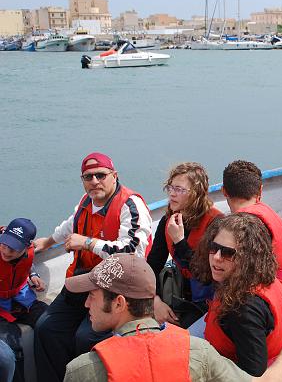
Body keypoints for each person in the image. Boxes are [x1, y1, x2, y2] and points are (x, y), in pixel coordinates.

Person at [62, 253, 282, 382]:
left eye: (93, 295)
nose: (86, 303)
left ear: (119, 303)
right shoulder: (196, 351)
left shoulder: (83, 370)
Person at [32, 152, 153, 382]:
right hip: (82, 281)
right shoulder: (85, 202)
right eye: (88, 177)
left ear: (114, 176)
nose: (95, 181)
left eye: (101, 175)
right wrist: (48, 242)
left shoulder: (130, 205)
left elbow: (132, 252)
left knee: (86, 338)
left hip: (114, 288)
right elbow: (71, 225)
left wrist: (88, 243)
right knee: (46, 328)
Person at [191, 213, 282, 377]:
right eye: (214, 247)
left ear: (248, 258)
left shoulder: (243, 309)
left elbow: (253, 374)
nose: (216, 257)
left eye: (227, 253)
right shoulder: (264, 278)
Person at [146, 162, 223, 328]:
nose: (172, 194)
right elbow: (152, 265)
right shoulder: (169, 220)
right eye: (170, 188)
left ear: (196, 194)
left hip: (210, 300)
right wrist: (155, 300)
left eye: (179, 190)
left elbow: (206, 275)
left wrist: (180, 242)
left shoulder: (216, 224)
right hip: (181, 295)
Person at [222, 160, 282, 320]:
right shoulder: (268, 213)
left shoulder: (243, 225)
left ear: (224, 191)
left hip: (265, 309)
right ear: (260, 191)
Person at [0, 219, 47, 382]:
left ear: (26, 247)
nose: (6, 251)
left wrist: (33, 275)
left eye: (13, 248)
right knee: (12, 348)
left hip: (22, 299)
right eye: (4, 244)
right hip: (1, 309)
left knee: (50, 324)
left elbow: (27, 263)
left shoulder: (29, 251)